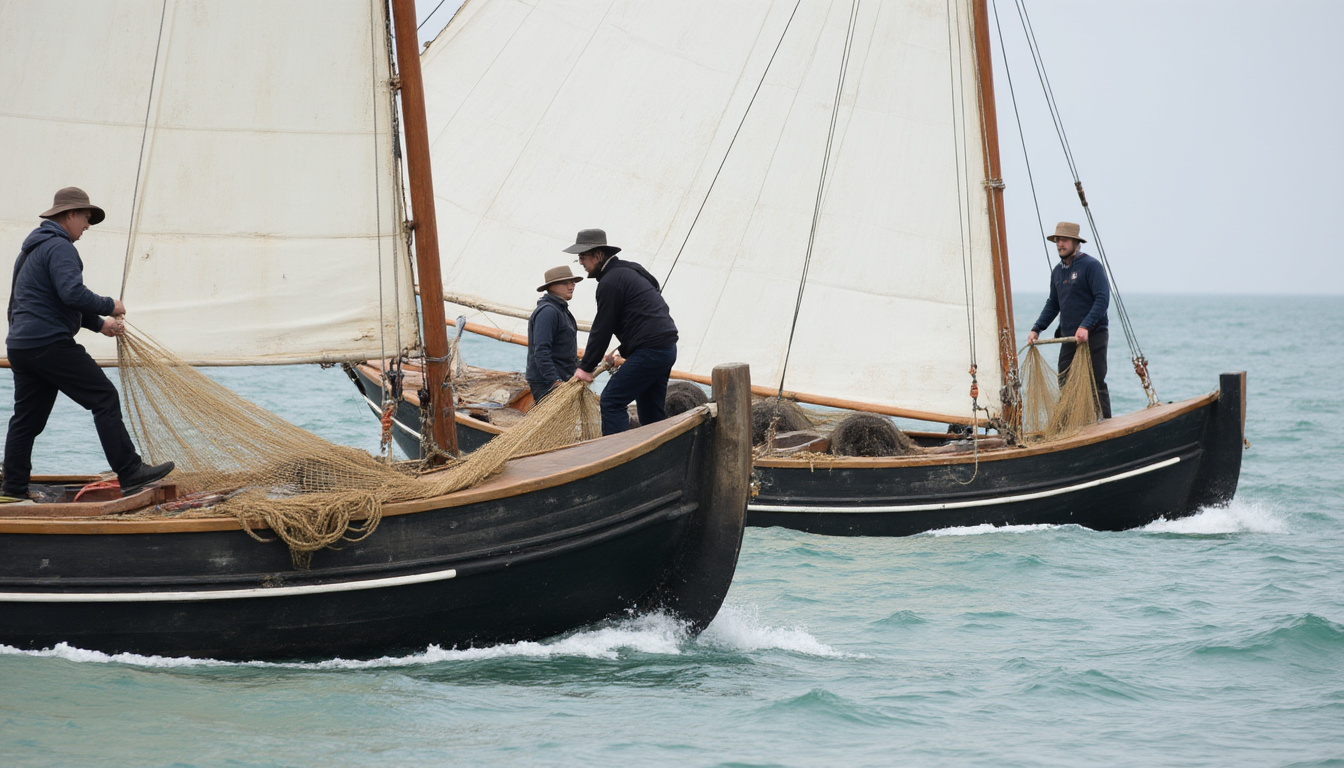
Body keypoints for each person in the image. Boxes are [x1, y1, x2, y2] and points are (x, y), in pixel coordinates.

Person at [2, 187, 174, 499]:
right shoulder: (60, 247)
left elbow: (49, 301)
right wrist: (110, 305)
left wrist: (99, 324)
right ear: (68, 215)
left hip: (22, 346)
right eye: (85, 217)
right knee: (104, 397)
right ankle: (131, 472)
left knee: (27, 420)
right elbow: (72, 294)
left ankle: (12, 489)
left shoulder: (31, 249)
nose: (88, 224)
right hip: (48, 343)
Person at [566, 229, 678, 435]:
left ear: (598, 255)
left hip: (651, 352)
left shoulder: (610, 282)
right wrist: (624, 349)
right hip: (666, 349)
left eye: (582, 257)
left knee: (610, 402)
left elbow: (603, 328)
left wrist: (586, 367)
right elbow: (646, 309)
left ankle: (616, 458)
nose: (581, 262)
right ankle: (657, 459)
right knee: (651, 414)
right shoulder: (631, 271)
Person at [1025, 221, 1112, 418]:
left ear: (1075, 242)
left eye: (1064, 240)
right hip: (1068, 338)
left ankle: (1106, 424)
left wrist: (1085, 326)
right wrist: (1037, 328)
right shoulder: (1057, 271)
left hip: (1094, 335)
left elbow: (1102, 299)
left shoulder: (1091, 266)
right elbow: (1053, 304)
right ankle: (1071, 427)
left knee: (1096, 383)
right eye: (1057, 240)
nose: (1059, 244)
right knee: (1065, 383)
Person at [525, 265, 583, 402]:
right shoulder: (548, 312)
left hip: (563, 380)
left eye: (573, 282)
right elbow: (541, 351)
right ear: (551, 286)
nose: (571, 286)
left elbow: (565, 351)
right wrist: (554, 381)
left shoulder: (562, 311)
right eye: (565, 282)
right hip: (547, 383)